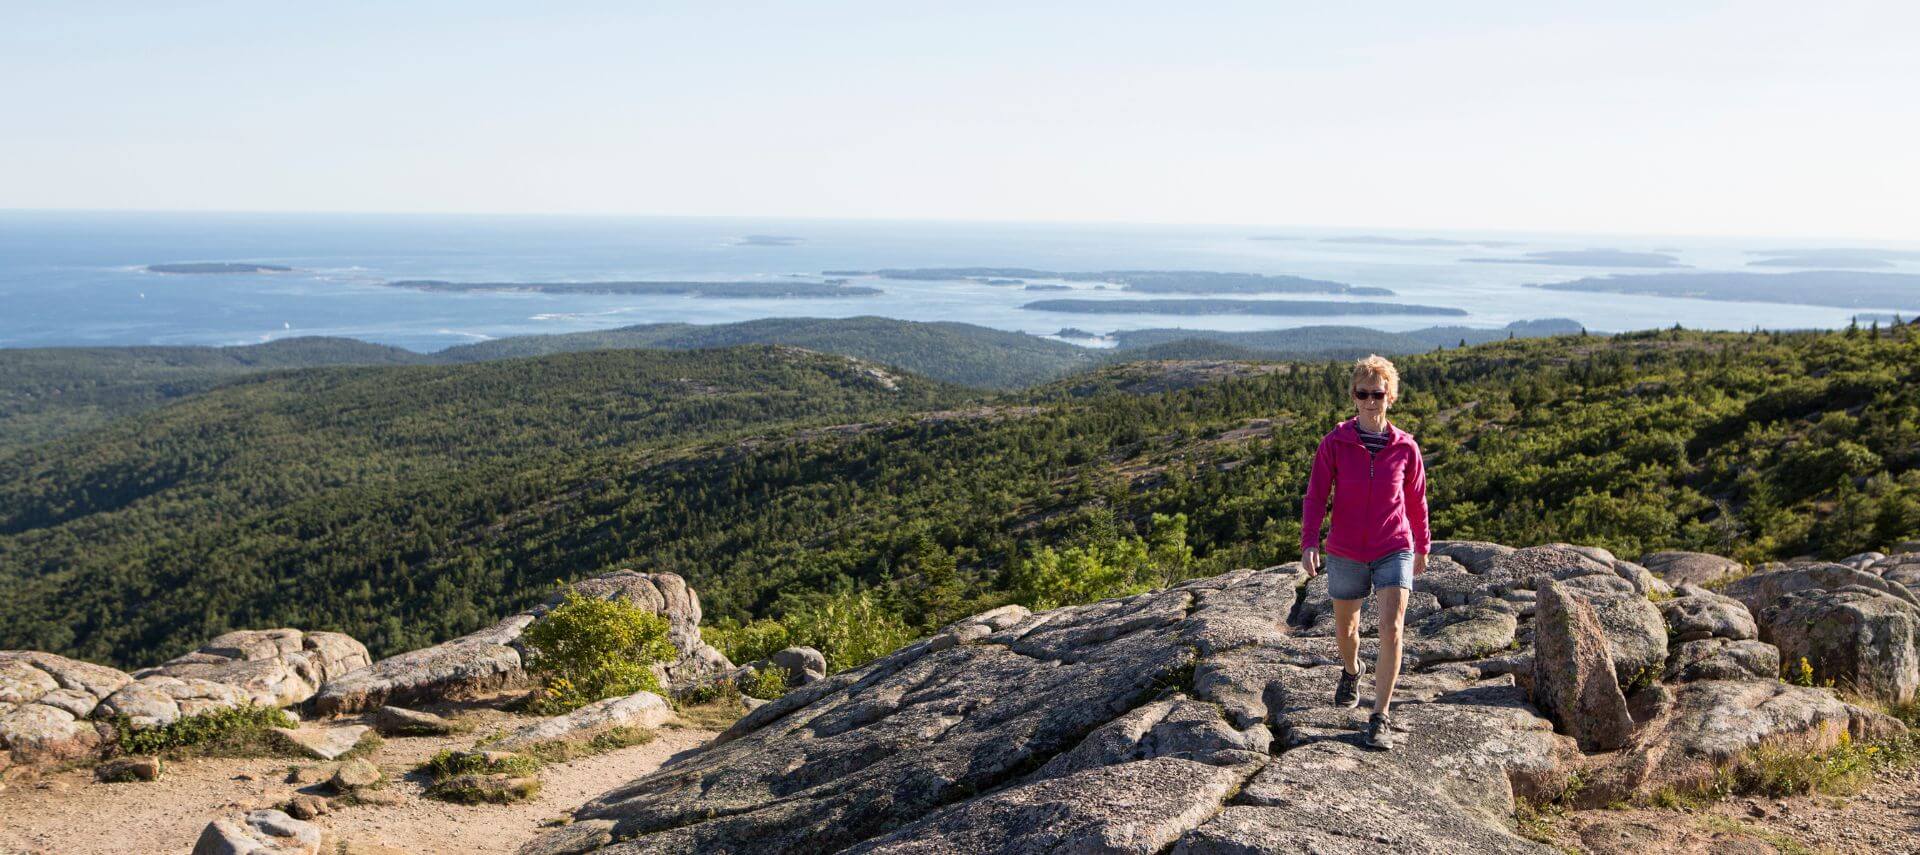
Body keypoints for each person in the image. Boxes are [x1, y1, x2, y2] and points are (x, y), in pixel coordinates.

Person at [1299, 354, 1429, 750]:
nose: (1371, 400)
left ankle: (1380, 716)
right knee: (1347, 631)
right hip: (1346, 549)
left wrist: (1422, 544)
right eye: (1363, 393)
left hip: (1394, 546)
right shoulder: (1335, 443)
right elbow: (1316, 495)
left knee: (1392, 628)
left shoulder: (1406, 447)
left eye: (1378, 392)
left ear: (1391, 395)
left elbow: (1417, 500)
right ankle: (1352, 670)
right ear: (1353, 397)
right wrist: (1309, 541)